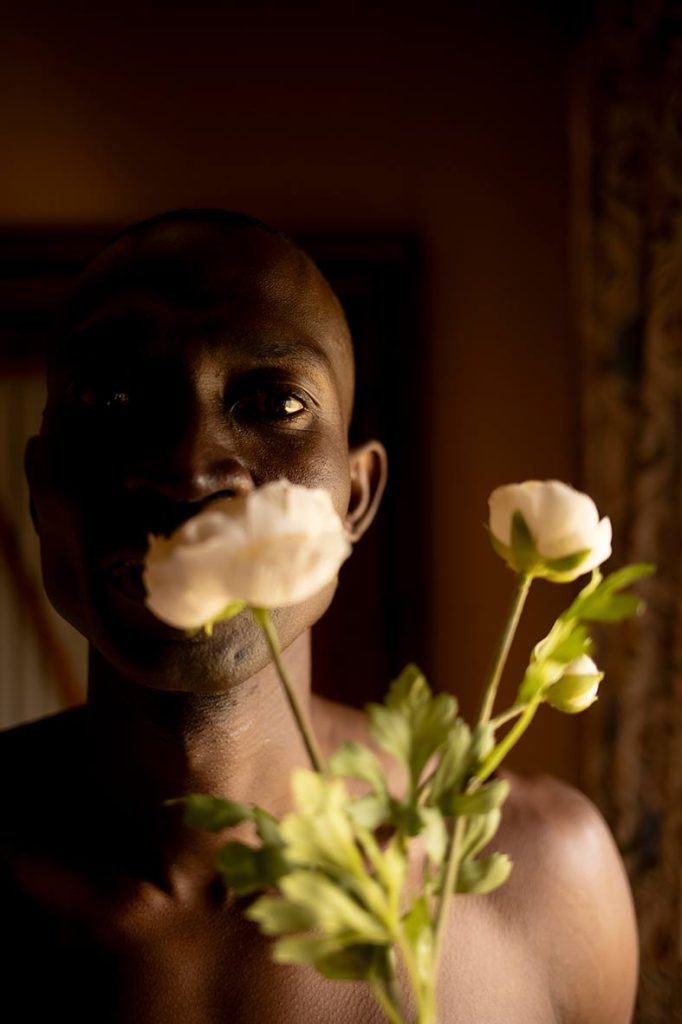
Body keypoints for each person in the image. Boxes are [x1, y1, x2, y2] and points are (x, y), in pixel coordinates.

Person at [1, 209, 637, 1023]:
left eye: (274, 402)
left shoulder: (544, 878)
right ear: (40, 488)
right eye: (113, 395)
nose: (190, 470)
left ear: (355, 499)